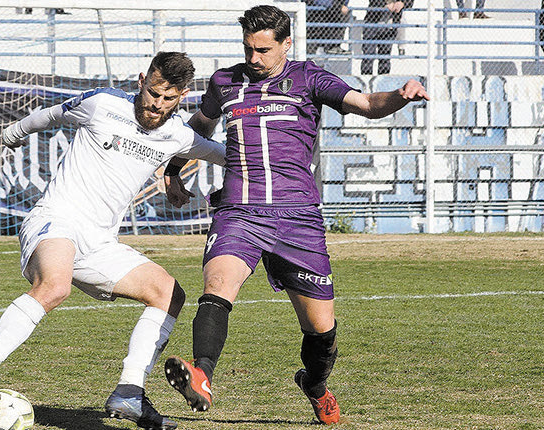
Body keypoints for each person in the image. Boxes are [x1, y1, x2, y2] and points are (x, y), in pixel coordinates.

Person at [160, 5, 428, 425]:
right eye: (248, 48)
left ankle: (315, 385)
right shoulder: (224, 82)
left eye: (263, 50)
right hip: (239, 211)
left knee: (321, 331)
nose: (254, 58)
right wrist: (174, 169)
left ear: (287, 44)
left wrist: (401, 96)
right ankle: (201, 375)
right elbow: (198, 128)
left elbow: (368, 103)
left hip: (298, 218)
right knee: (217, 284)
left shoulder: (310, 78)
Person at [0, 51, 226, 430]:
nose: (157, 104)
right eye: (152, 92)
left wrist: (283, 167)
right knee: (54, 286)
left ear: (181, 97)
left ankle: (130, 390)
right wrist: (13, 133)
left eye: (168, 98)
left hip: (100, 243)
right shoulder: (102, 104)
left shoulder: (178, 135)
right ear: (141, 80)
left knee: (169, 293)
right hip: (57, 220)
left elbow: (230, 155)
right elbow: (53, 115)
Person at [361, 0, 413, 75]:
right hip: (372, 23)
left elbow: (410, 2)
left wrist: (402, 3)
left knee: (385, 57)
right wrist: (385, 4)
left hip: (390, 25)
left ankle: (382, 81)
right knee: (368, 56)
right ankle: (366, 82)